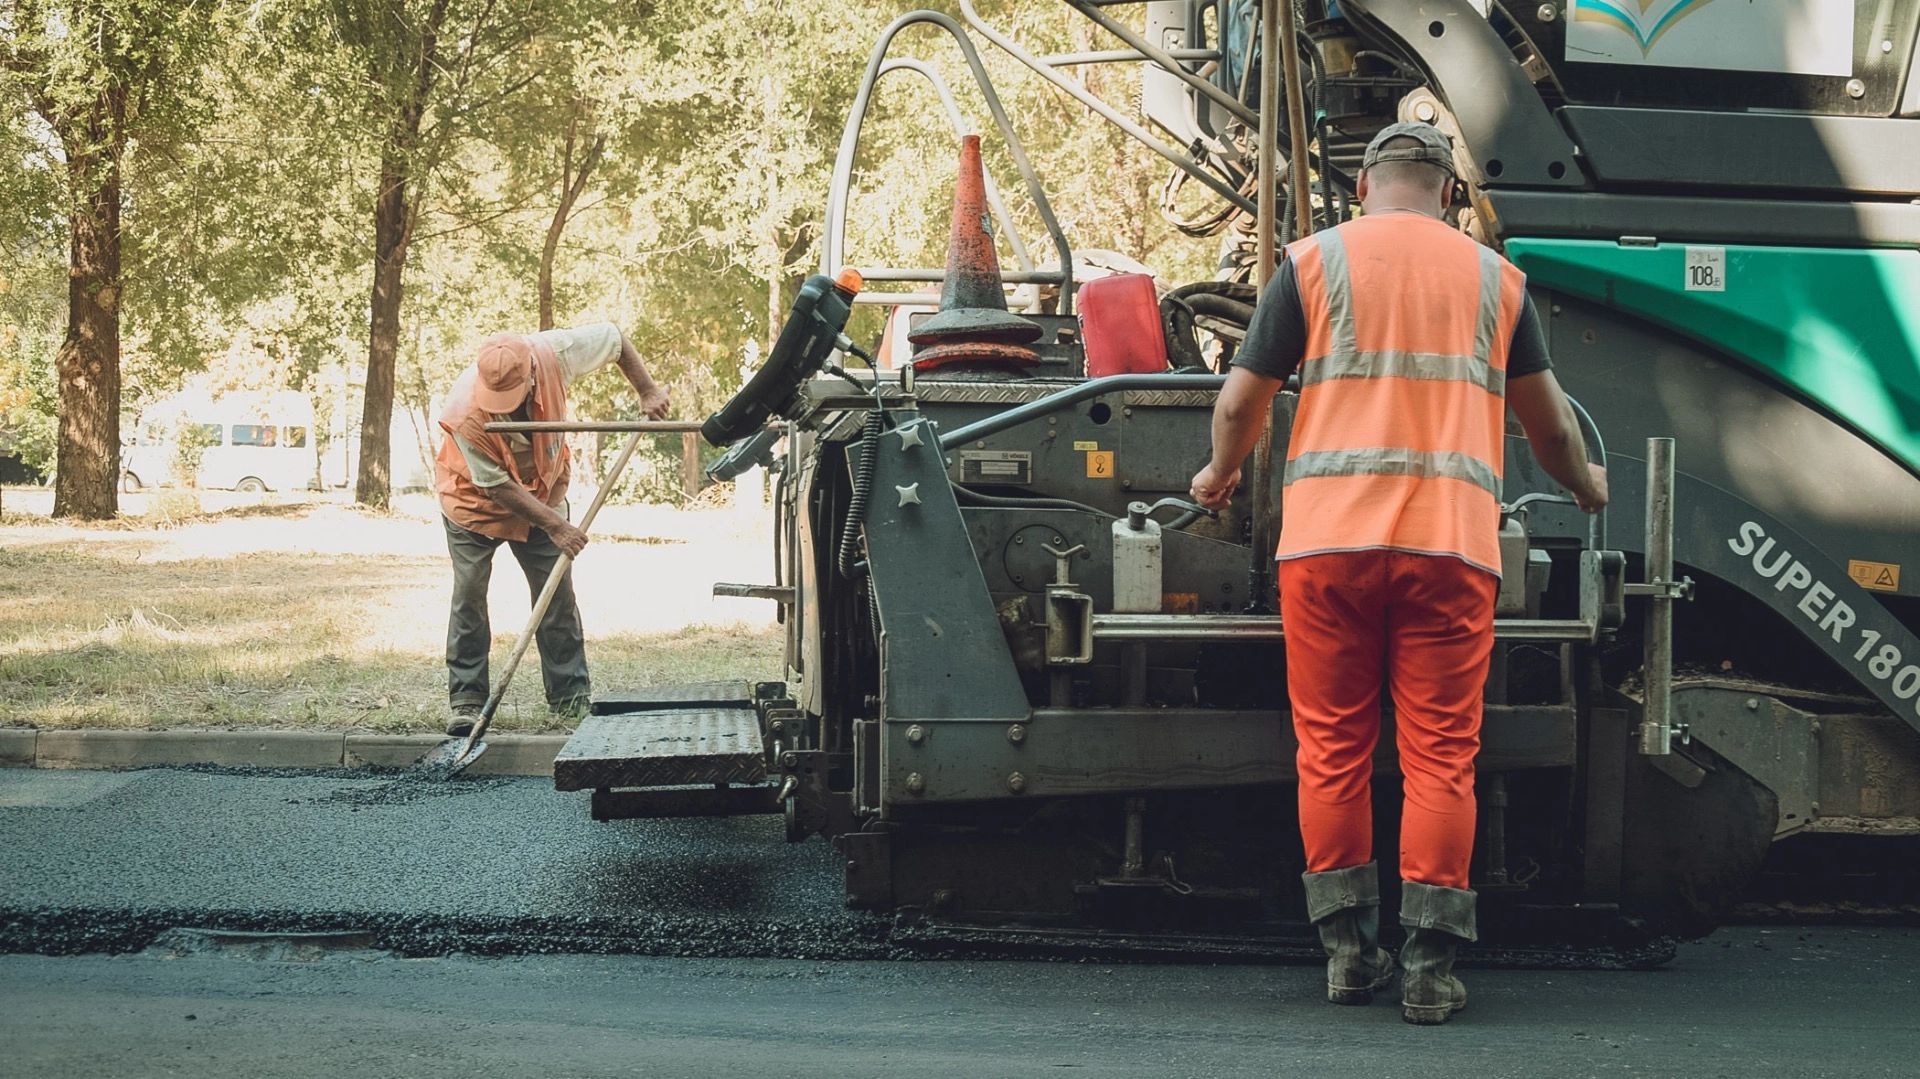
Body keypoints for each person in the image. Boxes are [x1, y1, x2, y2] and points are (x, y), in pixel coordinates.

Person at [1188, 123, 1608, 1025]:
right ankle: (1429, 967)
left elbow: (1239, 402)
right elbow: (1552, 430)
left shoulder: (1310, 263)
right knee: (1441, 761)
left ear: (1365, 189)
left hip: (1327, 549)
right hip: (1450, 549)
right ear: (1448, 194)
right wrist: (1589, 484)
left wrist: (1219, 474)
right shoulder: (1497, 281)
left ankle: (1347, 954)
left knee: (1333, 751)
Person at [434, 323, 670, 735]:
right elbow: (495, 484)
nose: (503, 407)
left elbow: (614, 339)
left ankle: (569, 698)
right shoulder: (463, 411)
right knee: (469, 592)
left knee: (556, 594)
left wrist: (647, 390)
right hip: (472, 502)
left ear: (530, 375)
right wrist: (558, 526)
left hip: (542, 493)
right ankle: (468, 701)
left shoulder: (554, 353)